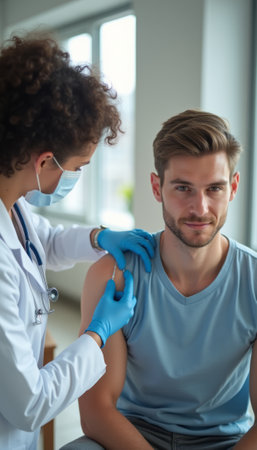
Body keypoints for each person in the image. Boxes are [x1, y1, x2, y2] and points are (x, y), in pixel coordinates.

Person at [63, 109, 257, 450]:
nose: (200, 208)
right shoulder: (114, 273)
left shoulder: (253, 280)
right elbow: (96, 411)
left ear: (234, 187)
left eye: (214, 188)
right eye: (183, 188)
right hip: (131, 434)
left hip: (224, 442)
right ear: (157, 187)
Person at [0, 33, 156, 450]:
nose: (76, 178)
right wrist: (98, 334)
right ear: (45, 161)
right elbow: (29, 403)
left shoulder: (12, 204)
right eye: (78, 168)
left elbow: (43, 242)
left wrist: (99, 237)